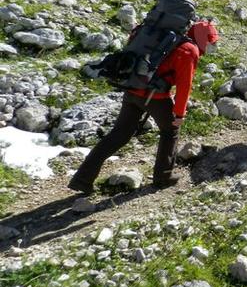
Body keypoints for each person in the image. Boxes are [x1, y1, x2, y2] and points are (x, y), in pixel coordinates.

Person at [68, 20, 219, 194]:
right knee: (170, 131)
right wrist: (179, 114)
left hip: (132, 90)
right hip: (156, 97)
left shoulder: (156, 36)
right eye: (210, 41)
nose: (211, 45)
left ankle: (82, 179)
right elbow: (184, 86)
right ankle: (163, 176)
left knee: (118, 135)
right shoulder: (188, 50)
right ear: (201, 38)